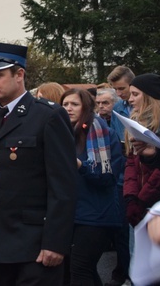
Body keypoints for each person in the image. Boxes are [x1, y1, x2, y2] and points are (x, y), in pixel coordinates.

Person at [0, 41, 77, 286]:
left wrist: (55, 243)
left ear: (19, 75)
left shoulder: (47, 115)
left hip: (35, 243)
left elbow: (63, 187)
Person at [60, 88, 124, 285]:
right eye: (65, 104)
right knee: (76, 268)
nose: (69, 108)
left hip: (97, 214)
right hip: (71, 212)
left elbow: (108, 177)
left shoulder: (103, 133)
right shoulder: (62, 133)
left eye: (75, 104)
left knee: (80, 268)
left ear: (86, 107)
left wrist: (81, 166)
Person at [123, 74, 160, 228]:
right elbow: (131, 162)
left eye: (135, 94)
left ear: (150, 97)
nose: (130, 99)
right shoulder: (134, 124)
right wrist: (131, 197)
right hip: (141, 203)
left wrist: (143, 199)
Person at [94, 87, 129, 286]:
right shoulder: (95, 124)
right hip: (106, 181)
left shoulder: (120, 120)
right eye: (98, 103)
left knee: (123, 232)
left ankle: (123, 273)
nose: (101, 107)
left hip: (121, 179)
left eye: (105, 103)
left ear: (115, 103)